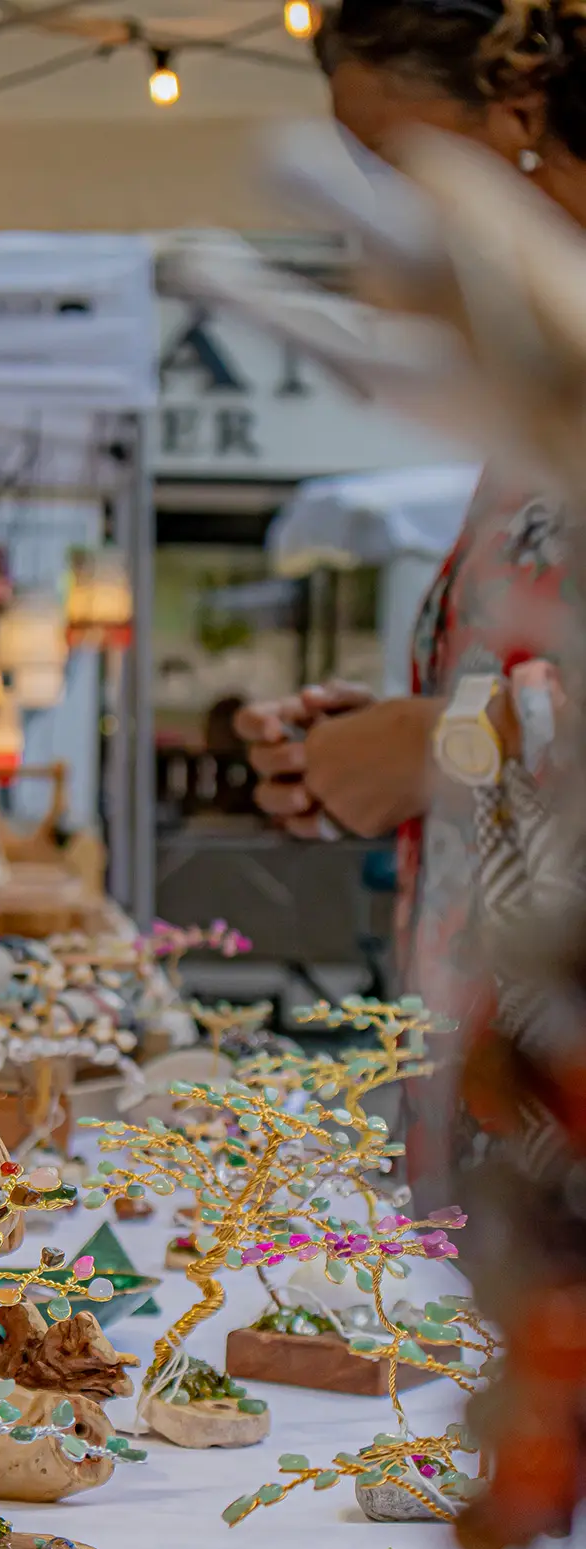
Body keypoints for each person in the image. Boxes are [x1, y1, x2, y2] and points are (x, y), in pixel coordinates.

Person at [235, 0, 586, 1183]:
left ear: (520, 118)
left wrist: (442, 746)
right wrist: (365, 750)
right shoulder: (533, 415)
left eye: (394, 166)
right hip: (500, 1091)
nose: (384, 225)